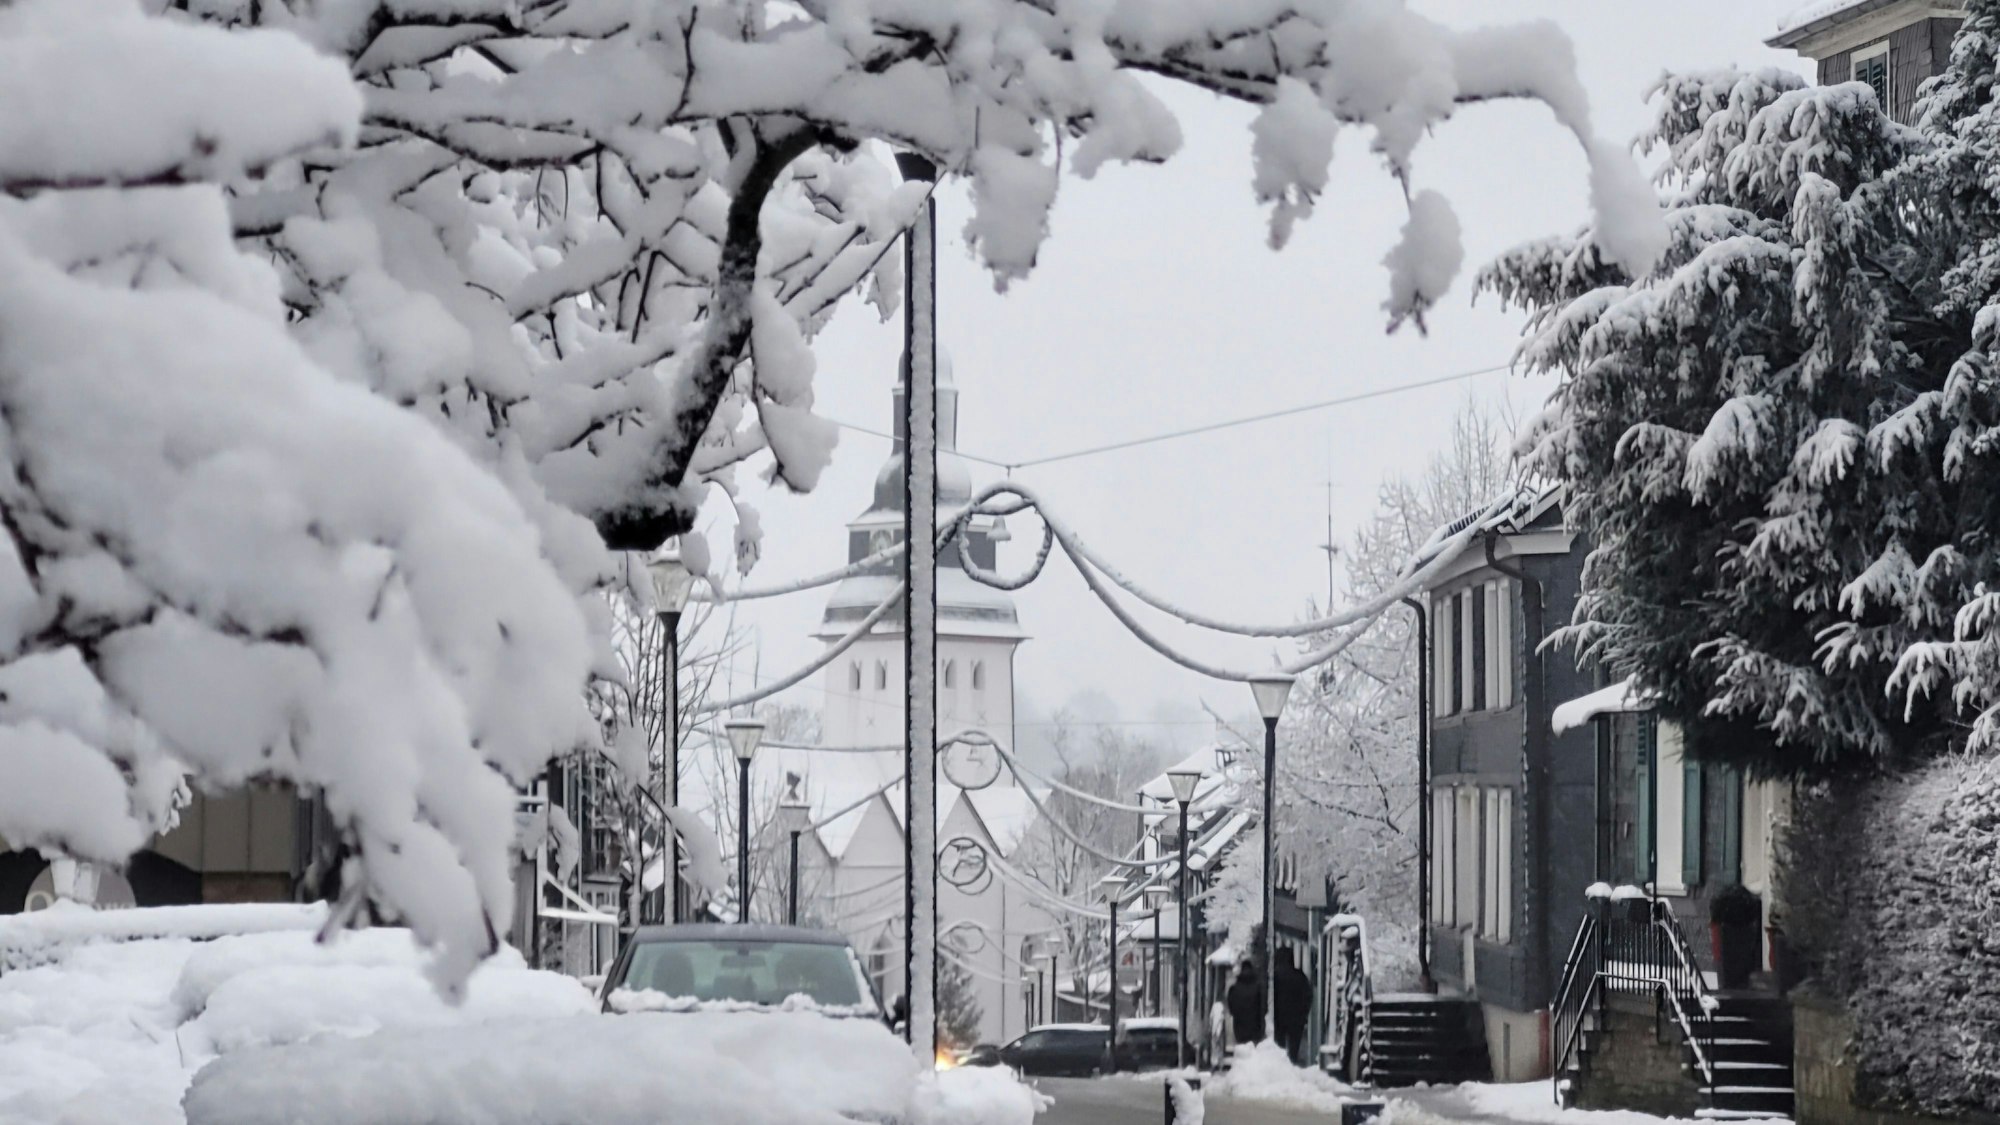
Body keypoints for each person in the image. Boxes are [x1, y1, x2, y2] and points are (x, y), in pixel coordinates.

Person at [1273, 947, 1312, 1062]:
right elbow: (1308, 996)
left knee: (1279, 1049)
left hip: (1279, 1019)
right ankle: (1292, 1064)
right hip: (1296, 1019)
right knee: (1293, 1051)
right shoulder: (1300, 976)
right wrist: (1304, 1014)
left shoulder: (1275, 976)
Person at [1225, 959, 1264, 1047]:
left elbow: (1231, 1007)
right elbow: (1262, 1008)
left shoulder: (1234, 989)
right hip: (1255, 1029)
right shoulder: (1258, 988)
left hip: (1239, 1029)